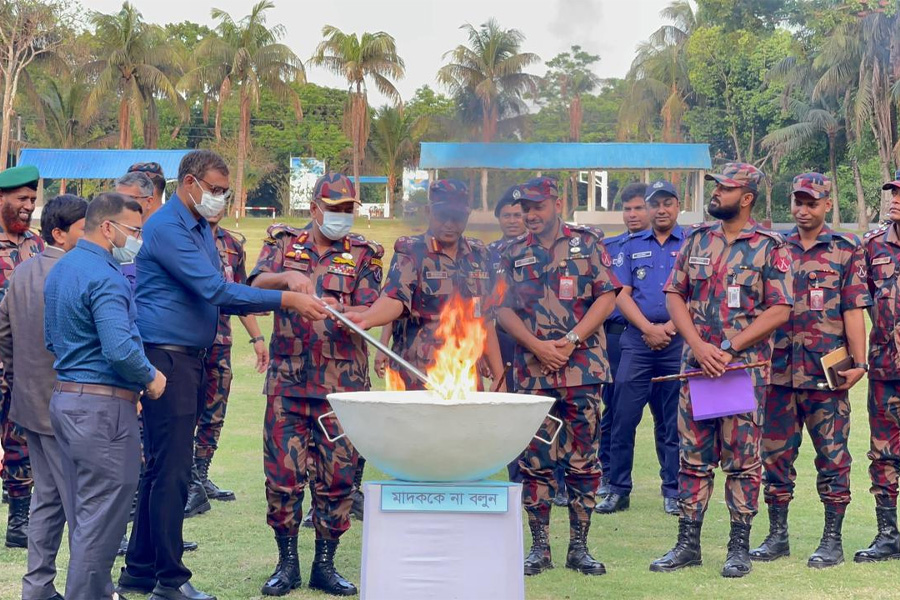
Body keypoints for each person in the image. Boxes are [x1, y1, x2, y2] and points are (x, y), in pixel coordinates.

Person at [118, 150, 328, 600]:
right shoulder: (168, 227)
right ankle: (170, 580)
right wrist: (287, 299)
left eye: (224, 192)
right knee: (173, 472)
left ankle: (139, 569)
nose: (219, 198)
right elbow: (215, 289)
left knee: (160, 468)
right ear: (189, 183)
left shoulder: (198, 227)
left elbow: (220, 293)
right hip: (167, 358)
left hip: (187, 357)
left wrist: (282, 286)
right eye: (213, 190)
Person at [651, 163, 793, 578]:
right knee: (692, 458)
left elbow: (780, 308)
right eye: (716, 187)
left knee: (743, 461)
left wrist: (729, 349)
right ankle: (687, 545)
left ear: (746, 199)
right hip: (698, 371)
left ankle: (738, 548)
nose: (715, 194)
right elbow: (675, 295)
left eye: (725, 189)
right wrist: (699, 347)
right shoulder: (697, 239)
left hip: (740, 373)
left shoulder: (769, 247)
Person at [250, 173, 382, 597]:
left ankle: (325, 564)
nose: (343, 216)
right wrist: (287, 280)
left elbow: (373, 305)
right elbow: (254, 284)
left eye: (348, 209)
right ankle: (286, 563)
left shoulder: (365, 253)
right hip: (287, 384)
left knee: (338, 479)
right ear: (314, 209)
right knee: (282, 478)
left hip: (342, 388)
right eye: (335, 208)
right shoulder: (284, 244)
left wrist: (347, 310)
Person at [43, 192, 167, 600]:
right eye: (134, 230)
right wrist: (150, 377)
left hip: (67, 399)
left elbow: (51, 340)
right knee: (101, 521)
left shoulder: (62, 268)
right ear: (108, 227)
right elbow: (119, 349)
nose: (138, 239)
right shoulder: (106, 275)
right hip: (102, 407)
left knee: (87, 516)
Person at [496, 176, 619, 577]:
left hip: (582, 369)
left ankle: (579, 547)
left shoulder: (588, 242)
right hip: (533, 374)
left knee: (584, 461)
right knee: (536, 462)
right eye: (525, 209)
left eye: (537, 207)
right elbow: (502, 308)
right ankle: (540, 547)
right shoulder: (511, 252)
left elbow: (607, 296)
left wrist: (569, 341)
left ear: (557, 203)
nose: (530, 215)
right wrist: (537, 346)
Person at [748, 173, 870, 568]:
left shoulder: (845, 249)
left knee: (833, 458)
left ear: (827, 205)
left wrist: (860, 363)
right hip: (777, 372)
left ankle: (831, 540)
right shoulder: (774, 248)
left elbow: (853, 309)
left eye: (812, 203)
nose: (803, 210)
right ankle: (777, 536)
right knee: (774, 458)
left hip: (825, 374)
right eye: (798, 202)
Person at [0, 194, 86, 600]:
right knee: (82, 507)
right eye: (85, 228)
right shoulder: (77, 273)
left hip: (30, 404)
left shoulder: (22, 271)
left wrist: (19, 377)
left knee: (48, 500)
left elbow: (4, 336)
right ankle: (91, 589)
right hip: (70, 407)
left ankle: (37, 587)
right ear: (59, 233)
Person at [348, 179, 502, 387]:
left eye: (457, 217)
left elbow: (485, 319)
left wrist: (499, 376)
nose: (449, 224)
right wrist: (366, 318)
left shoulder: (479, 255)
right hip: (417, 376)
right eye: (442, 215)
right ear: (429, 212)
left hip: (465, 377)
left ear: (467, 215)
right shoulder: (412, 252)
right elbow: (395, 299)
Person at [597, 180, 683, 516]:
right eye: (655, 204)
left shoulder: (691, 243)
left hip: (677, 341)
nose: (661, 210)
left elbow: (695, 292)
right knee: (623, 417)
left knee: (673, 421)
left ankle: (673, 491)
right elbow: (621, 293)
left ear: (678, 206)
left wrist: (671, 327)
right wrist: (648, 329)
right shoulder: (631, 247)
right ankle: (618, 489)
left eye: (667, 203)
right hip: (637, 341)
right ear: (649, 208)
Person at [186, 207, 268, 514]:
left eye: (222, 197)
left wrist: (257, 338)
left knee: (214, 412)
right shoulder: (182, 237)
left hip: (220, 341)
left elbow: (240, 294)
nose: (215, 204)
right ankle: (187, 480)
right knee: (185, 412)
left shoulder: (233, 244)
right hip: (188, 341)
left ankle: (201, 475)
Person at [855, 169, 900, 563]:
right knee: (884, 454)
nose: (894, 200)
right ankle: (887, 535)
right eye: (893, 192)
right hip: (886, 370)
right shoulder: (872, 247)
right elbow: (858, 303)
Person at [0, 164, 44, 548]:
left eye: (32, 199)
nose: (28, 205)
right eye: (21, 199)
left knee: (20, 441)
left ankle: (19, 523)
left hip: (22, 363)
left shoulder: (37, 245)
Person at [597, 182, 650, 499]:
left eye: (639, 207)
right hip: (617, 338)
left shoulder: (677, 245)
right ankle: (608, 475)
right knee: (615, 411)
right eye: (627, 209)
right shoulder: (609, 247)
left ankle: (672, 487)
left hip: (665, 338)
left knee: (668, 414)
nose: (632, 214)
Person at [115, 171, 157, 290]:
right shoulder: (109, 233)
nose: (122, 205)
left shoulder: (160, 237)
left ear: (149, 202)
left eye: (130, 199)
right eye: (118, 199)